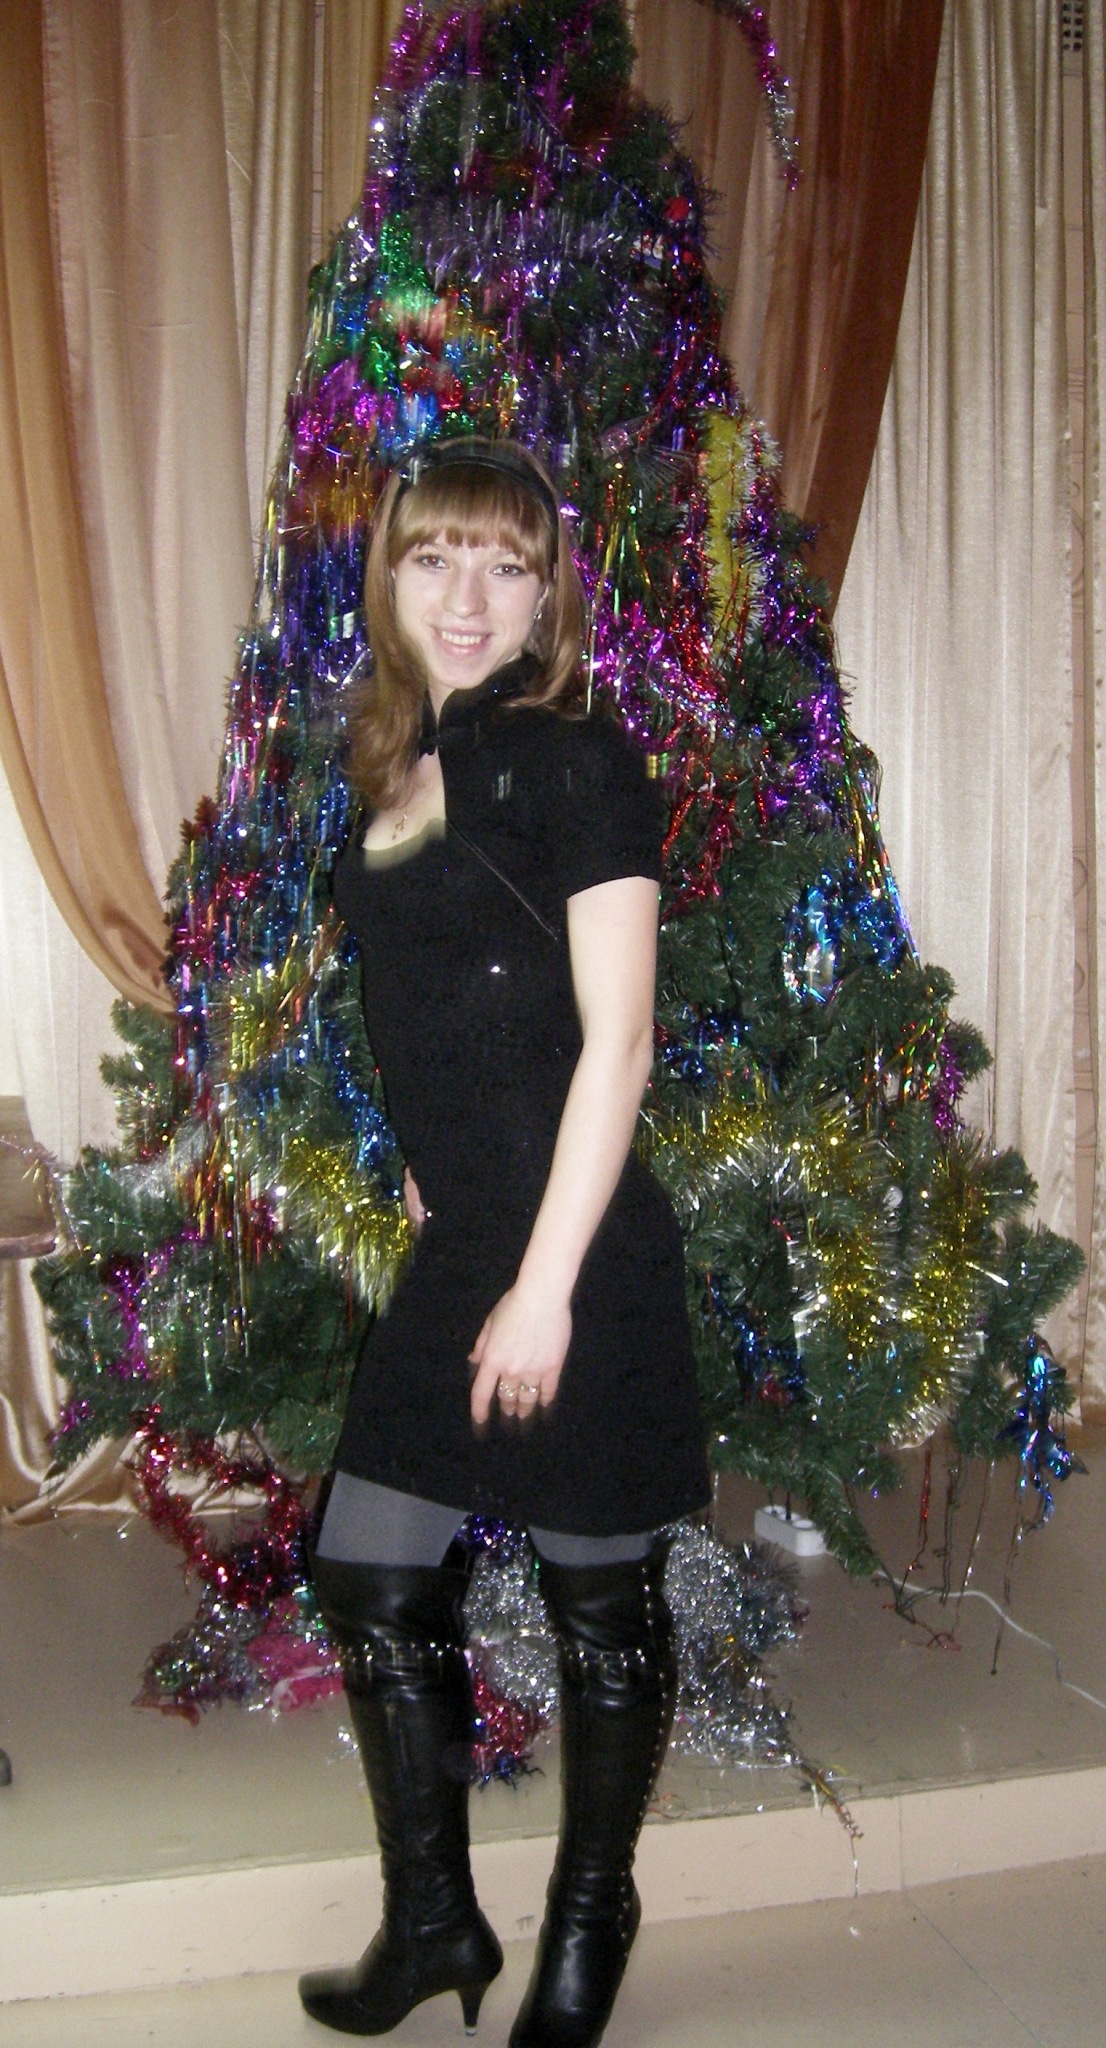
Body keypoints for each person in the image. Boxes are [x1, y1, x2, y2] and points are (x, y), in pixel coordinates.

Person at [298, 436, 709, 2046]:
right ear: (389, 576)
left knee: (600, 1604)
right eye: (433, 557)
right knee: (368, 1568)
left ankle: (589, 1925)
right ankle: (432, 1920)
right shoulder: (396, 765)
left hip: (576, 1252)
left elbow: (618, 1040)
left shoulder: (576, 760)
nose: (466, 596)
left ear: (548, 595)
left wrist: (543, 1287)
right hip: (466, 1232)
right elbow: (441, 995)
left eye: (505, 564)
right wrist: (428, 1163)